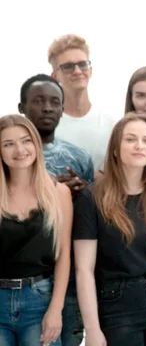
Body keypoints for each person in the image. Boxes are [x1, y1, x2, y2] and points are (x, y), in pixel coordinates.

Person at [73, 113, 146, 346]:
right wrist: (92, 329)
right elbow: (84, 269)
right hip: (117, 305)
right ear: (115, 148)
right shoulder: (92, 198)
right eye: (131, 139)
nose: (140, 146)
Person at [18, 74, 93, 345]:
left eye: (54, 102)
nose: (47, 108)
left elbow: (93, 220)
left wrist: (84, 192)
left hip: (70, 278)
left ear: (63, 109)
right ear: (21, 108)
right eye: (38, 101)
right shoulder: (10, 156)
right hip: (21, 277)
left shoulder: (80, 158)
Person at [0, 114, 73, 346]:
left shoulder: (58, 193)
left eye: (26, 140)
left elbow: (63, 257)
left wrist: (55, 310)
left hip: (39, 300)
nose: (19, 149)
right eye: (8, 144)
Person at [48, 34, 117, 175]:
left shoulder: (111, 124)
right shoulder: (46, 126)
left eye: (82, 64)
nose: (77, 71)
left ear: (90, 70)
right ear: (55, 76)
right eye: (68, 66)